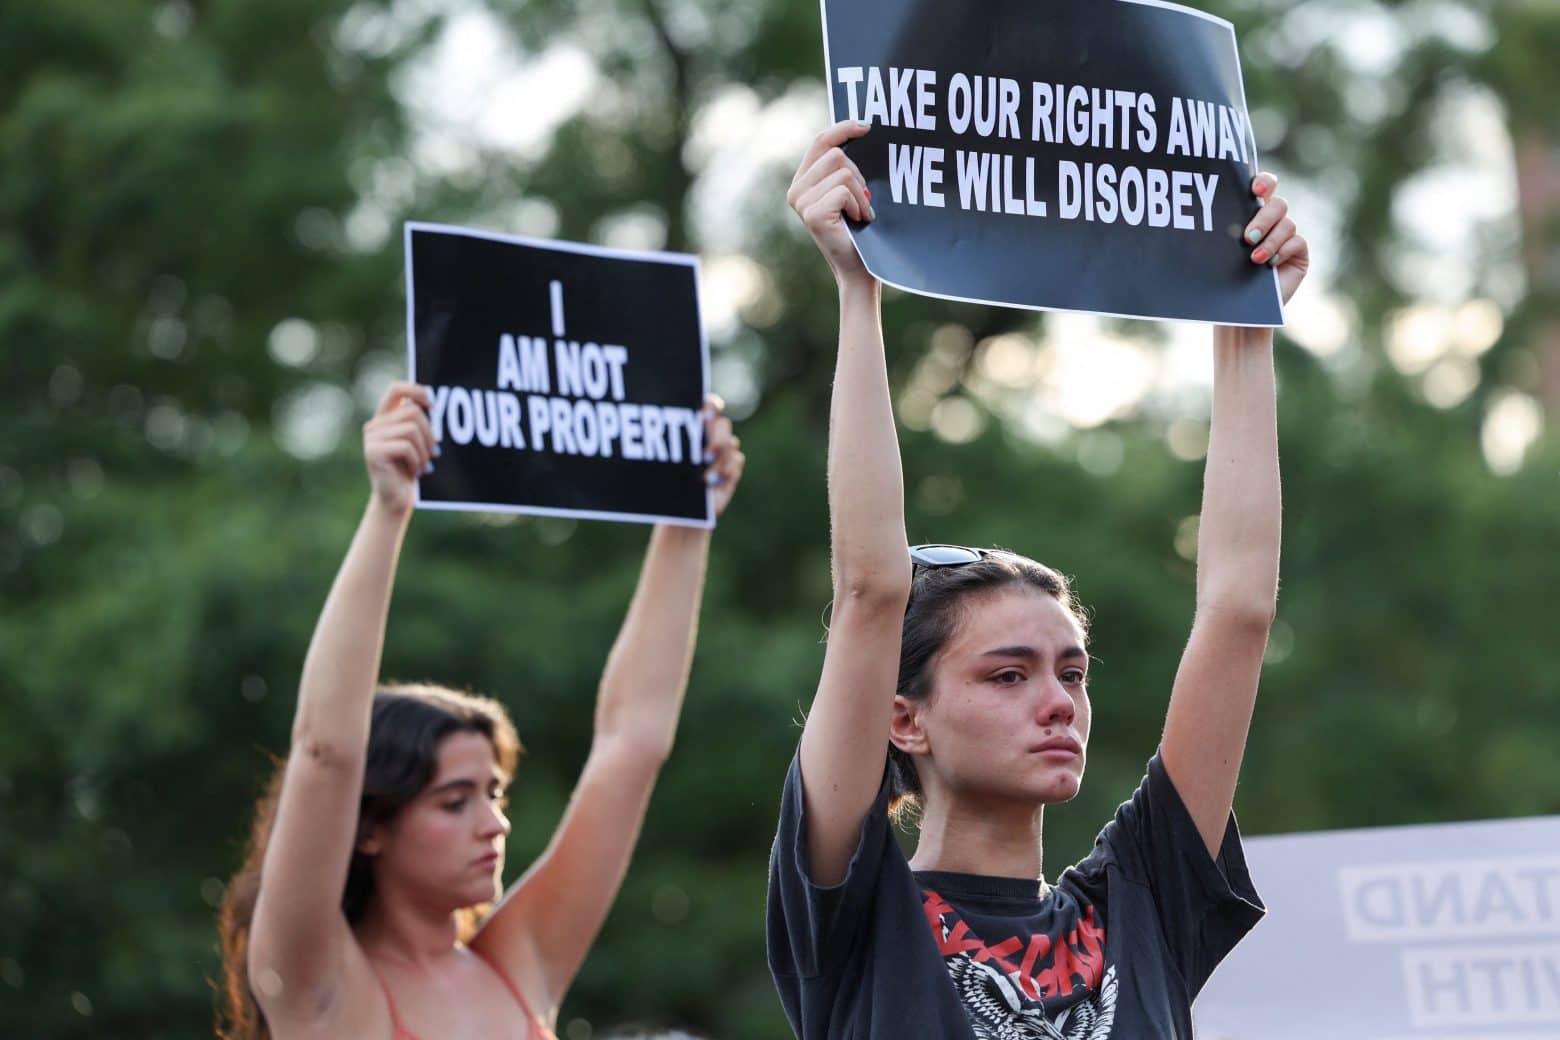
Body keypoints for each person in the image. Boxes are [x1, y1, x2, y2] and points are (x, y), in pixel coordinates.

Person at [767, 120, 1310, 1039]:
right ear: (905, 719)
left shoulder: (1144, 900)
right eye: (1008, 674)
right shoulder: (856, 914)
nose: (1059, 703)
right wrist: (859, 288)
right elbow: (869, 591)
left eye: (1071, 672)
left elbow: (1238, 610)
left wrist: (1245, 318)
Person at [218, 382, 745, 1039]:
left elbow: (630, 745)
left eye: (492, 794)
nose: (495, 824)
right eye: (454, 801)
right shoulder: (315, 982)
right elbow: (326, 753)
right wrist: (388, 512)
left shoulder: (518, 963)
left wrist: (686, 518)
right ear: (370, 827)